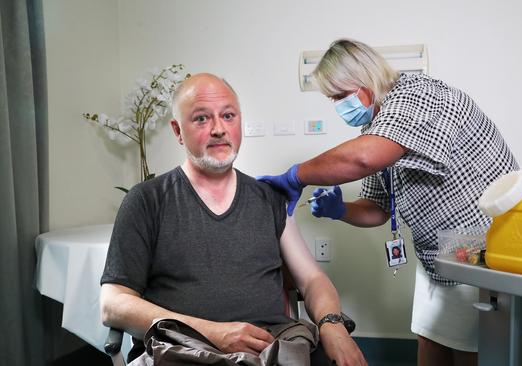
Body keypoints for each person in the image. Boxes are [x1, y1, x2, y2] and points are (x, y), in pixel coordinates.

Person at [257, 39, 519, 365]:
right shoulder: (377, 125)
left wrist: (296, 175)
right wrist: (340, 211)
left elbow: (364, 158)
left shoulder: (420, 95)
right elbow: (377, 208)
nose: (338, 106)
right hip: (440, 257)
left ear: (365, 80)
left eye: (340, 96)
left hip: (482, 253)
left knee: (470, 354)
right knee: (430, 342)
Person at [99, 73, 366, 366]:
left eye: (228, 116)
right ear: (177, 131)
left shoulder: (270, 199)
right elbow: (112, 304)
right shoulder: (146, 200)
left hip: (269, 349)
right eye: (201, 119)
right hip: (183, 350)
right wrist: (212, 332)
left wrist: (332, 325)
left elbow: (312, 279)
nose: (218, 129)